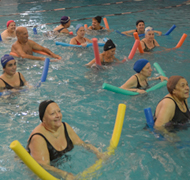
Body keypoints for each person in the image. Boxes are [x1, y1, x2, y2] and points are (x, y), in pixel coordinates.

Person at [26, 100, 106, 179]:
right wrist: (64, 174)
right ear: (43, 119)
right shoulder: (38, 138)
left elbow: (82, 144)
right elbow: (43, 167)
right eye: (52, 113)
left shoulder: (64, 127)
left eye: (59, 111)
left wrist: (97, 152)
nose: (58, 115)